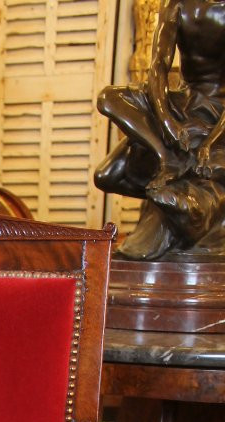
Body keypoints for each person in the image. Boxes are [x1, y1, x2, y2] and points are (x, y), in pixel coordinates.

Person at [95, 0, 225, 257]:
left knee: (198, 190)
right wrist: (167, 123)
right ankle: (166, 157)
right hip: (180, 103)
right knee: (109, 104)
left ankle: (193, 207)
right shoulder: (178, 5)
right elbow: (158, 68)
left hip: (217, 113)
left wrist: (210, 143)